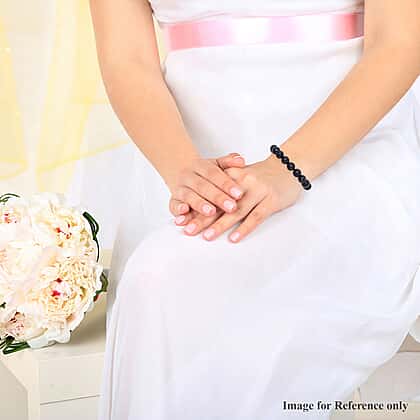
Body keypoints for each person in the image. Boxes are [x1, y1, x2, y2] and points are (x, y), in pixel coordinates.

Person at [89, 0, 420, 418]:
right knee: (155, 284)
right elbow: (127, 59)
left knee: (166, 277)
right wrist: (186, 174)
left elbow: (399, 43)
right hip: (184, 160)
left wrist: (288, 169)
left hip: (345, 154)